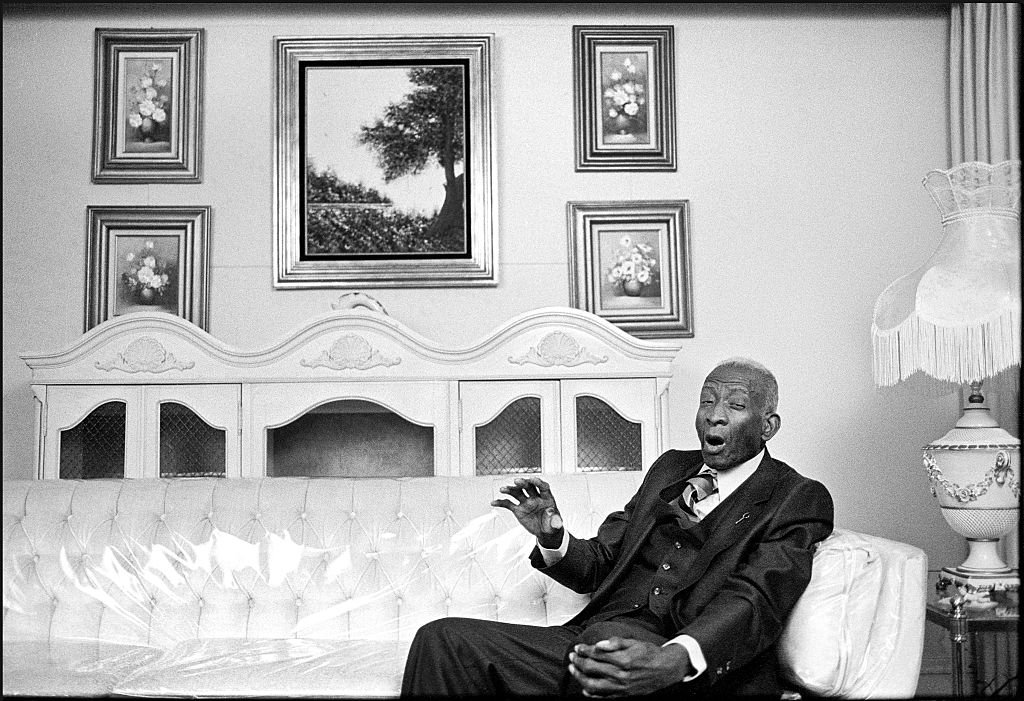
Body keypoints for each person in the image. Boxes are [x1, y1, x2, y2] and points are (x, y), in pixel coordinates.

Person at [401, 358, 834, 698]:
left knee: (607, 648)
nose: (714, 417)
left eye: (735, 406)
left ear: (768, 425)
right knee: (442, 640)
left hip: (679, 667)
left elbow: (756, 597)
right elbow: (600, 564)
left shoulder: (795, 497)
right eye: (707, 401)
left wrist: (677, 658)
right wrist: (552, 537)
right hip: (587, 641)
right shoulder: (670, 468)